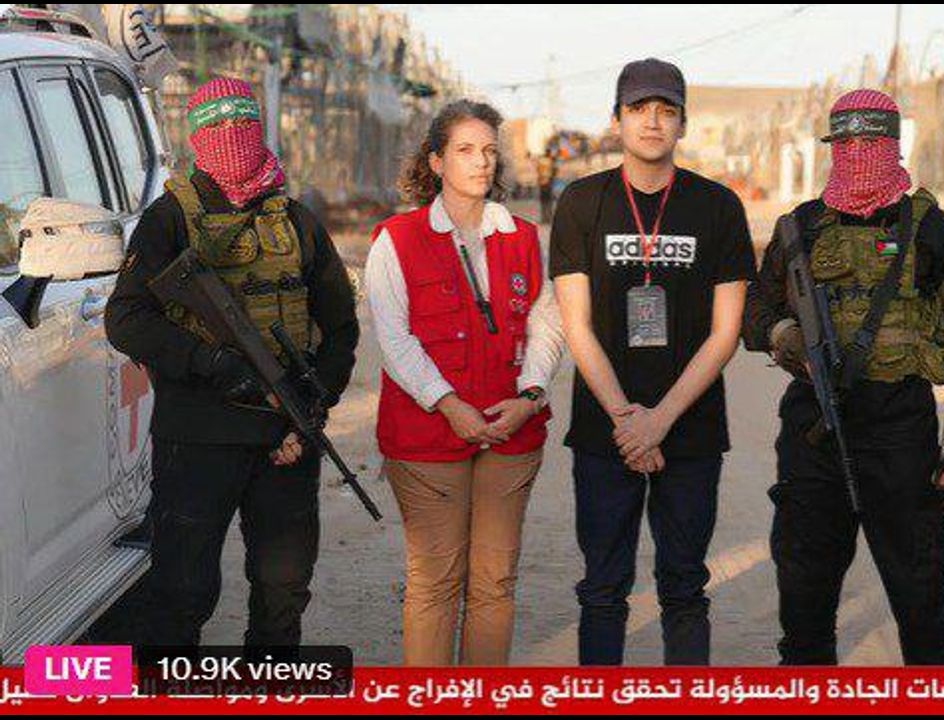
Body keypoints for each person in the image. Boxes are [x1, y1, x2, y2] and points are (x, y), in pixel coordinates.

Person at [743, 89, 944, 666]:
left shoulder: (934, 232)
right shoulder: (800, 229)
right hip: (814, 428)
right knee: (804, 595)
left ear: (894, 148)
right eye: (848, 143)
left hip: (900, 431)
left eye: (872, 143)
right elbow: (755, 307)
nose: (860, 154)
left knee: (923, 596)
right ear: (834, 149)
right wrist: (782, 332)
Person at [104, 77, 359, 647]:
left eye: (242, 123)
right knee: (182, 592)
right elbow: (126, 318)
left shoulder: (296, 221)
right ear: (196, 138)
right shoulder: (169, 220)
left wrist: (310, 411)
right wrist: (214, 363)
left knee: (283, 591)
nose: (231, 136)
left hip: (286, 438)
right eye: (216, 126)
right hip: (197, 435)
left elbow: (340, 327)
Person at [550, 58, 756, 666]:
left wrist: (658, 421)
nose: (652, 121)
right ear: (616, 119)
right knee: (602, 591)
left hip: (689, 429)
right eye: (638, 108)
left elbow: (725, 333)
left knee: (685, 588)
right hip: (605, 430)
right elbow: (576, 325)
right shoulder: (581, 202)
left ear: (683, 123)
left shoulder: (718, 206)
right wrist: (626, 420)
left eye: (667, 110)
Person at [366, 99, 565, 666]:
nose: (481, 162)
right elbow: (395, 339)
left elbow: (546, 323)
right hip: (427, 437)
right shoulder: (397, 239)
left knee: (495, 582)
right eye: (465, 150)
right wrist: (449, 405)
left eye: (489, 151)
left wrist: (530, 397)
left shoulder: (522, 236)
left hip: (511, 433)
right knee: (435, 582)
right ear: (436, 161)